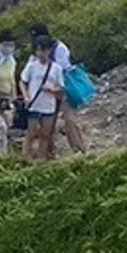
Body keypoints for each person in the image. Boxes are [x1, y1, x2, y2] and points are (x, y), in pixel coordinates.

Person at [29, 22, 87, 154]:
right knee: (49, 122)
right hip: (47, 90)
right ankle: (49, 152)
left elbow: (63, 68)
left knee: (69, 119)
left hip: (61, 87)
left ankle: (78, 148)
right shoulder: (37, 52)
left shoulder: (59, 48)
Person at [19, 36, 65, 161]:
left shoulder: (56, 68)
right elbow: (23, 81)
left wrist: (51, 90)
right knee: (31, 133)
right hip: (34, 104)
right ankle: (26, 158)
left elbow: (60, 87)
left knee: (45, 135)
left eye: (43, 51)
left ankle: (41, 158)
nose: (40, 54)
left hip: (48, 106)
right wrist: (26, 96)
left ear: (49, 51)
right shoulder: (32, 66)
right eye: (38, 51)